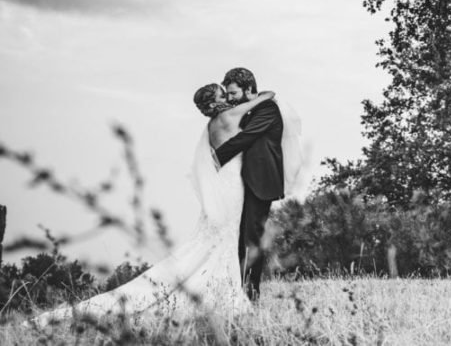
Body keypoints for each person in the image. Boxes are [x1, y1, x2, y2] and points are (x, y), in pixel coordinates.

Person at [28, 82, 299, 327]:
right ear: (216, 102)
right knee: (227, 240)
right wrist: (257, 95)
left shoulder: (212, 124)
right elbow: (266, 96)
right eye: (223, 93)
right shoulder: (229, 116)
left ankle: (229, 289)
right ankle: (228, 293)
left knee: (224, 241)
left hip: (231, 185)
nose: (228, 97)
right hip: (233, 188)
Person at [213, 67, 284, 302]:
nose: (230, 98)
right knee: (239, 238)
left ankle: (251, 295)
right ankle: (237, 291)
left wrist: (215, 158)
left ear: (249, 90)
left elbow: (246, 138)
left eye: (233, 93)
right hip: (242, 183)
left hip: (261, 182)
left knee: (253, 239)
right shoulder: (247, 111)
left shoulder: (268, 109)